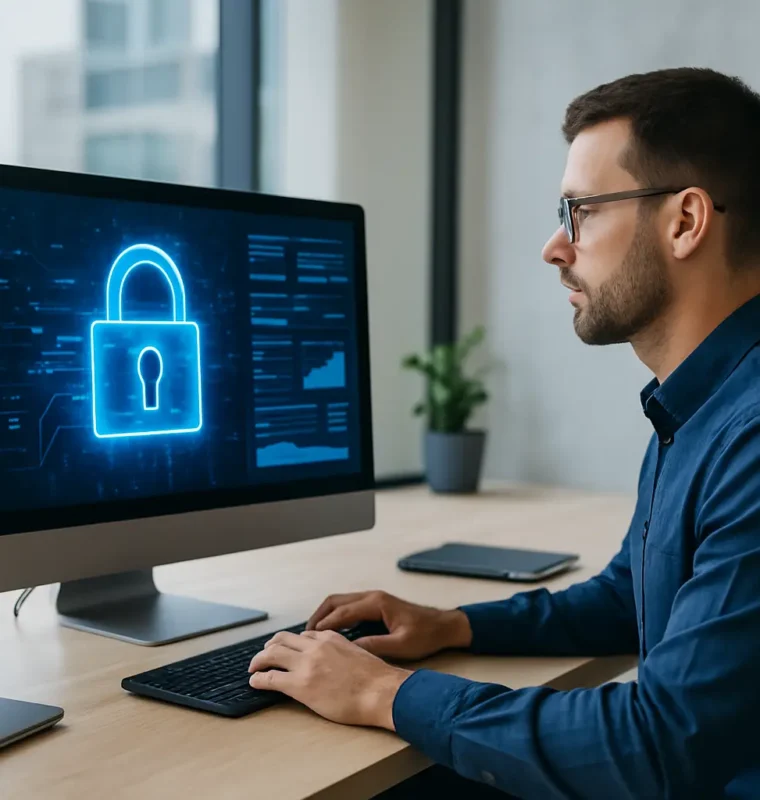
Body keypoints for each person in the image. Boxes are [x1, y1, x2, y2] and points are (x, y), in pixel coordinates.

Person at [248, 66, 760, 798]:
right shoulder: (701, 404)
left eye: (580, 211)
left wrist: (381, 693)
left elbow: (657, 745)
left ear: (685, 222)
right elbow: (630, 598)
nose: (555, 247)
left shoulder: (749, 433)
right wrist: (451, 625)